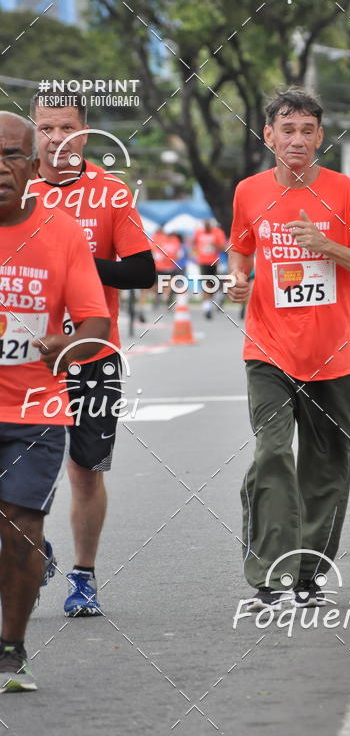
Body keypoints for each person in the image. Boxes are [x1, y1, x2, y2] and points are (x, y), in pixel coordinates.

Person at [228, 88, 350, 610]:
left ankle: (308, 575)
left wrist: (326, 246)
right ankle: (271, 575)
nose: (297, 139)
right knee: (272, 454)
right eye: (287, 129)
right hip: (268, 349)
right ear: (268, 135)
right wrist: (238, 279)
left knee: (325, 466)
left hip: (331, 353)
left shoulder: (344, 192)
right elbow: (241, 249)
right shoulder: (248, 192)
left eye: (307, 130)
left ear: (320, 138)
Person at [31, 93, 155, 617]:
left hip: (92, 354)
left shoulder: (111, 193)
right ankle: (34, 547)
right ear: (34, 132)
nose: (57, 138)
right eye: (46, 128)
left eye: (67, 127)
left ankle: (83, 576)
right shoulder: (15, 191)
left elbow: (142, 271)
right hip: (25, 355)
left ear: (85, 133)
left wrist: (76, 264)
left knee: (85, 471)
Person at [0, 112, 109, 690]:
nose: (1, 169)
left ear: (32, 164)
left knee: (21, 527)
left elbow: (95, 320)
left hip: (34, 411)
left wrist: (68, 344)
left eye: (11, 156)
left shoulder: (62, 232)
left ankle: (11, 651)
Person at [193, 219, 226, 318]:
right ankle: (207, 307)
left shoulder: (218, 233)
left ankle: (216, 300)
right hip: (203, 262)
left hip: (215, 262)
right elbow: (194, 244)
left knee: (214, 285)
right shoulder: (199, 232)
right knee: (206, 284)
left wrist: (215, 245)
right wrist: (194, 252)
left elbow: (223, 248)